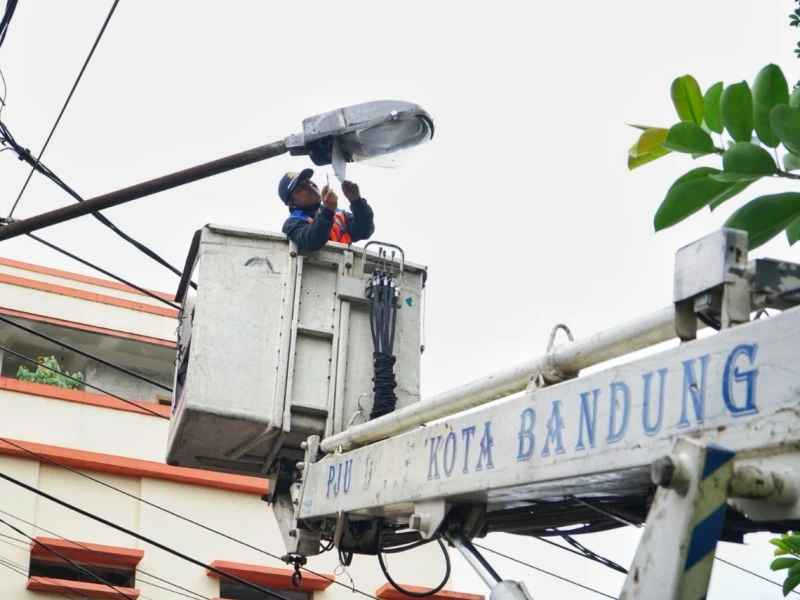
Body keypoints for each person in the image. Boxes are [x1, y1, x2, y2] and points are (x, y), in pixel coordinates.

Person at [278, 168, 375, 253]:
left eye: (307, 181)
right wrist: (327, 211)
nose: (309, 186)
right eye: (300, 188)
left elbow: (365, 231)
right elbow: (312, 241)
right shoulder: (292, 224)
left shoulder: (339, 214)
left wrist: (356, 201)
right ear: (291, 203)